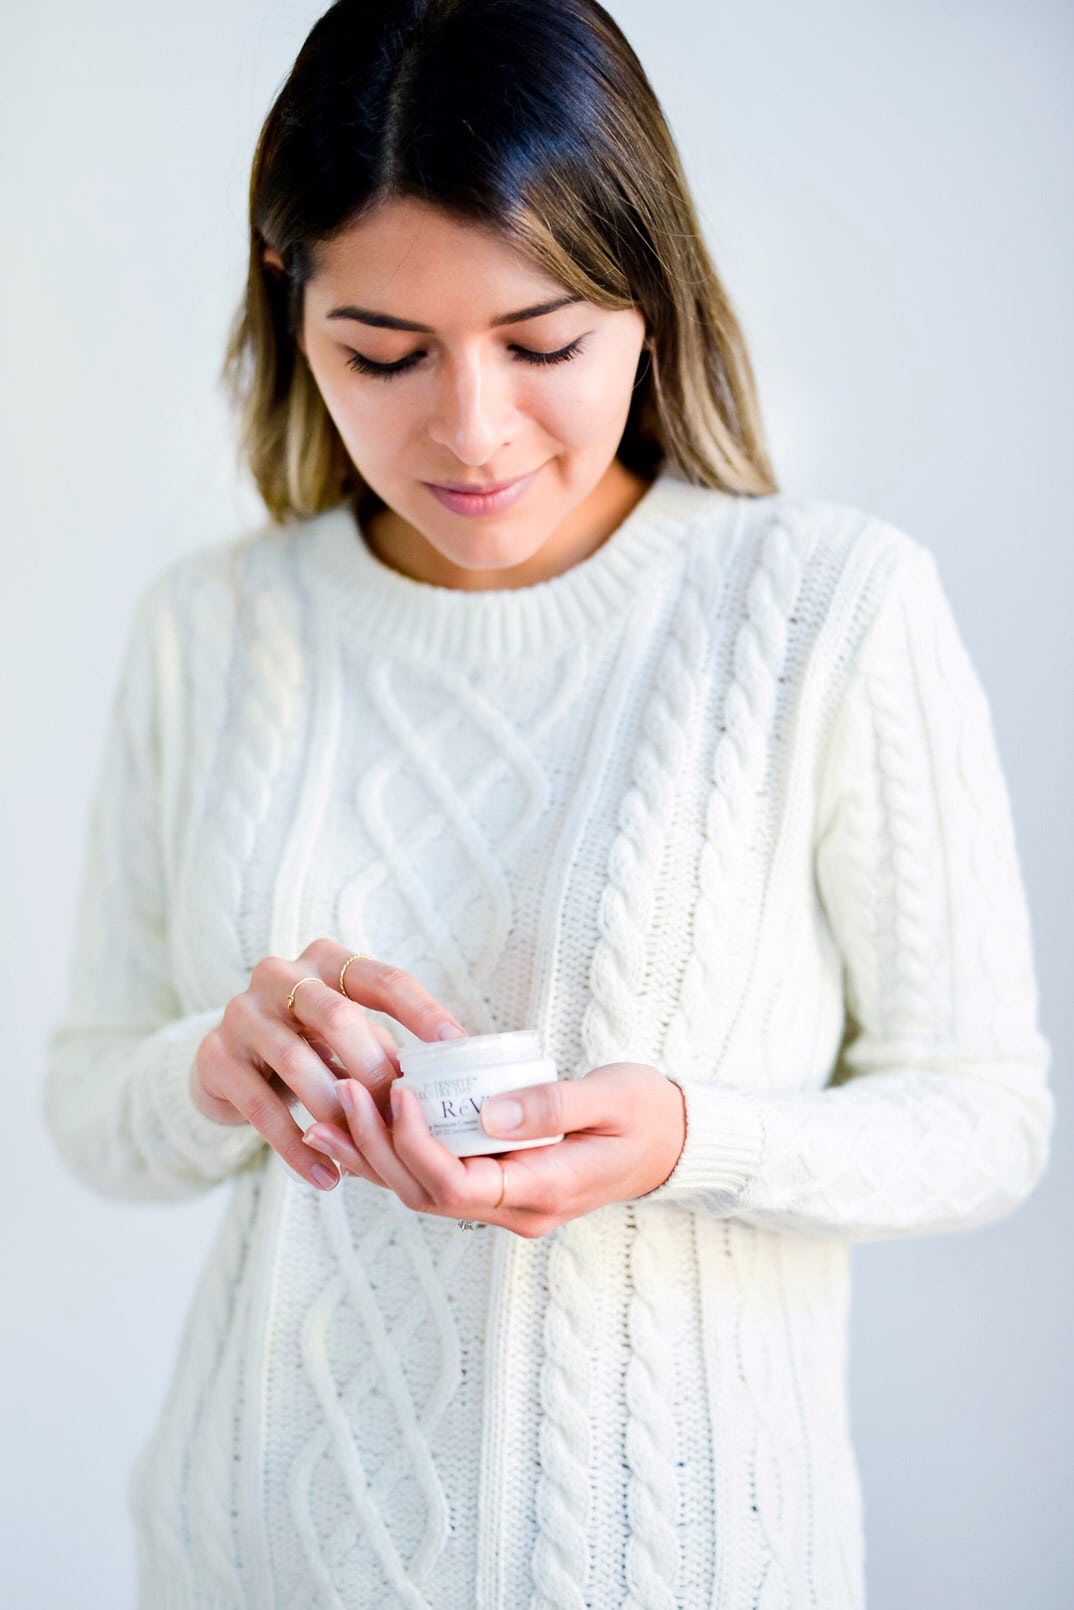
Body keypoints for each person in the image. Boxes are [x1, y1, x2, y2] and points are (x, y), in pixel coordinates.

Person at [42, 0, 1055, 1605]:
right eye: (382, 353)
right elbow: (92, 1103)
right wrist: (216, 1068)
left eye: (542, 342)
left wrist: (681, 1140)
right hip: (252, 1557)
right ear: (288, 309)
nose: (470, 428)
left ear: (649, 304)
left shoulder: (820, 608)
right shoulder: (213, 627)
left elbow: (984, 1113)